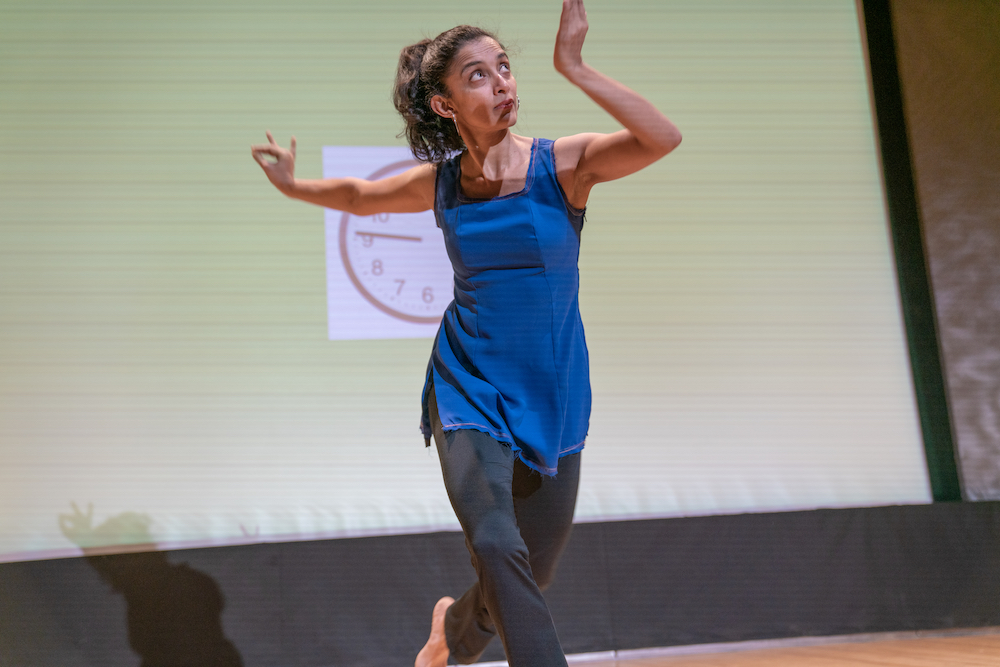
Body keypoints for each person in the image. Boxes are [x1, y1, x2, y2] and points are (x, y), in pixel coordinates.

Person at [251, 1, 680, 665]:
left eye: (504, 68)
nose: (502, 82)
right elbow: (361, 198)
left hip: (553, 392)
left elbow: (662, 137)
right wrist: (293, 186)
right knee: (496, 542)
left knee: (526, 574)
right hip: (468, 387)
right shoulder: (446, 183)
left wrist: (574, 66)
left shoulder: (560, 166)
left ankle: (451, 634)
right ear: (445, 104)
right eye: (478, 75)